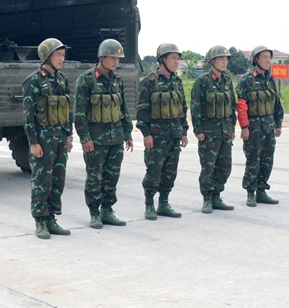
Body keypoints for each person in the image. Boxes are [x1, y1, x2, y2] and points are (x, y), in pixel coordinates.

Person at [74, 39, 134, 229]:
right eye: (113, 57)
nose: (116, 61)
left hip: (115, 138)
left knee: (112, 176)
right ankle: (94, 212)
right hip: (96, 139)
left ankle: (107, 210)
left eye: (118, 58)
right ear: (102, 57)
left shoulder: (118, 80)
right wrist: (85, 138)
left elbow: (123, 108)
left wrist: (128, 134)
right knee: (94, 177)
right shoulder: (86, 79)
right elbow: (79, 113)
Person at [22, 38, 74, 240]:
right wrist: (33, 142)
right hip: (43, 140)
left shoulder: (62, 79)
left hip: (60, 138)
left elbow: (68, 109)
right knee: (42, 180)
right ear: (47, 56)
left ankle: (52, 218)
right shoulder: (34, 81)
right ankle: (40, 221)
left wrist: (69, 135)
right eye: (58, 55)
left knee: (58, 179)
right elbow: (28, 115)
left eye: (63, 55)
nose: (62, 59)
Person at [137, 43, 189, 220]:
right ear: (162, 60)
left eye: (177, 58)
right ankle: (149, 204)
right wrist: (146, 133)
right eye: (173, 58)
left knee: (170, 172)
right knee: (154, 171)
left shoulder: (177, 82)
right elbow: (142, 110)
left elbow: (182, 108)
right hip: (156, 137)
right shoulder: (150, 82)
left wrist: (184, 132)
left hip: (174, 136)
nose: (177, 62)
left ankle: (164, 203)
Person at [190, 45, 237, 214]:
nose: (224, 62)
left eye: (226, 59)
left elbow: (232, 106)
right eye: (221, 59)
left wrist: (232, 128)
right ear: (212, 61)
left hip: (225, 132)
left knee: (225, 166)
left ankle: (217, 195)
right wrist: (198, 130)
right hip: (209, 133)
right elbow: (196, 107)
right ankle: (207, 198)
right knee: (208, 167)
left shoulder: (228, 81)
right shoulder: (202, 82)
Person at [236, 46, 284, 207]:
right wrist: (244, 127)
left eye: (269, 57)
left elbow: (276, 103)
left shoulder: (270, 80)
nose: (268, 60)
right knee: (253, 160)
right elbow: (241, 105)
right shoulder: (246, 80)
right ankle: (250, 192)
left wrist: (278, 124)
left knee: (267, 160)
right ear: (256, 59)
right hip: (253, 127)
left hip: (269, 127)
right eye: (264, 57)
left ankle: (262, 191)